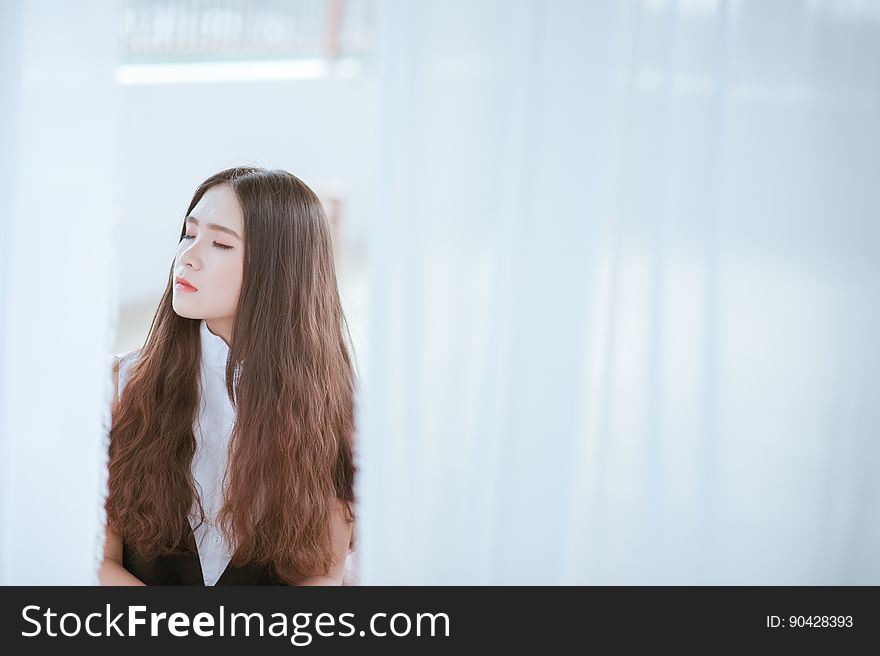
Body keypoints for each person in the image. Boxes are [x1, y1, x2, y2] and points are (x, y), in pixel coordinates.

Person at [98, 166, 357, 586]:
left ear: (279, 268)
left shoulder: (336, 410)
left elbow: (321, 578)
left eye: (220, 243)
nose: (188, 256)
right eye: (189, 234)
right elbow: (94, 561)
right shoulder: (122, 385)